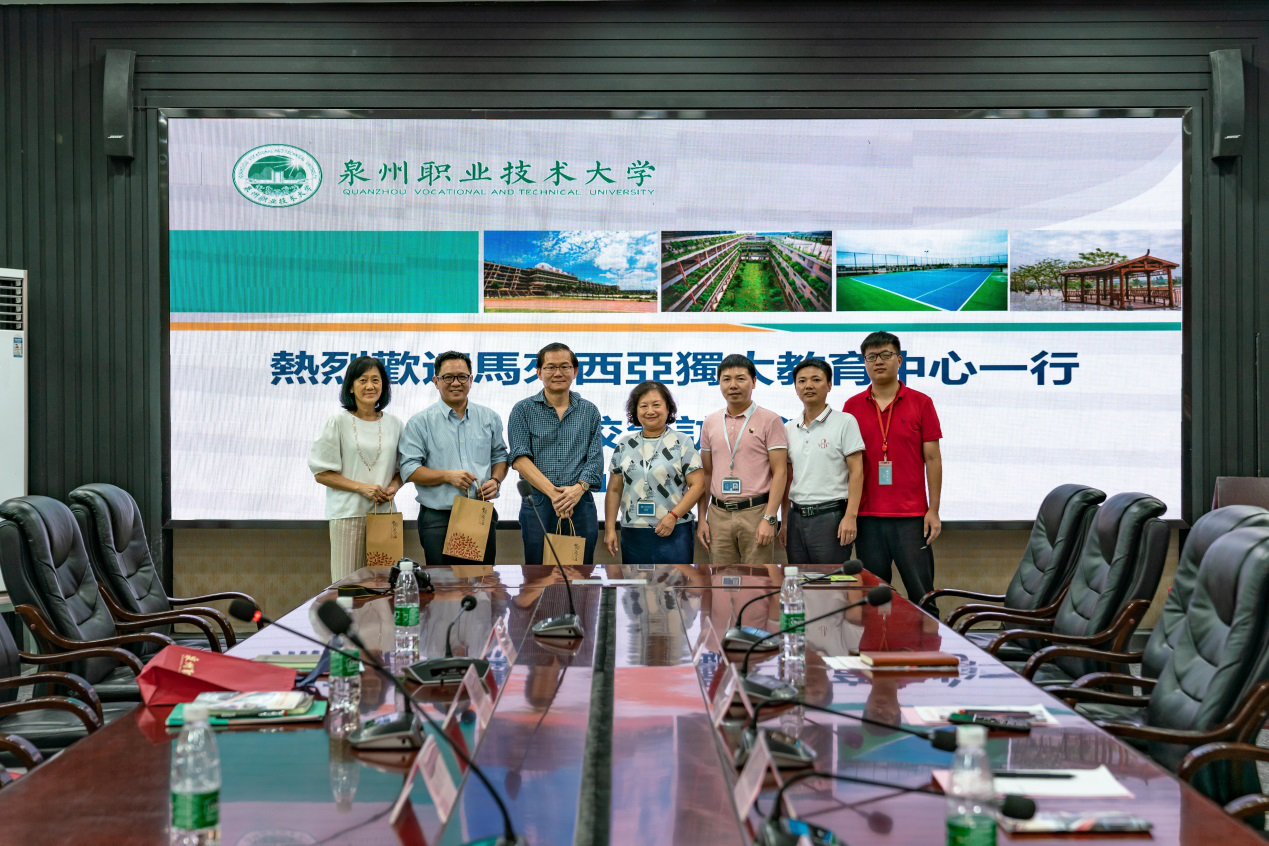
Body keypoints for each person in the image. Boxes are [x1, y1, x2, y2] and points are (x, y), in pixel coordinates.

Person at [842, 331, 943, 599]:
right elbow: (847, 464)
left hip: (912, 518)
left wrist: (933, 509)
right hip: (867, 517)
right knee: (874, 598)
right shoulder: (851, 406)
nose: (878, 361)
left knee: (923, 596)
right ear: (864, 363)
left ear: (899, 360)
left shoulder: (922, 402)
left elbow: (933, 459)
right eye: (871, 357)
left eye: (885, 355)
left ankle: (926, 630)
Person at [398, 350, 508, 567]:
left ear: (471, 380)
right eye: (448, 377)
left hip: (478, 513)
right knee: (443, 584)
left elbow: (500, 455)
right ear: (436, 381)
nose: (456, 383)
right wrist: (447, 476)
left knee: (481, 582)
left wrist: (496, 480)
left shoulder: (489, 418)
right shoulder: (420, 422)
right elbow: (409, 469)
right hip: (438, 519)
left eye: (462, 377)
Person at [308, 355, 404, 583]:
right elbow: (321, 473)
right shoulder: (337, 422)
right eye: (363, 380)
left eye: (376, 380)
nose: (370, 386)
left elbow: (403, 468)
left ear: (384, 386)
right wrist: (362, 488)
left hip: (384, 514)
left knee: (385, 584)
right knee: (348, 585)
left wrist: (394, 486)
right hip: (347, 514)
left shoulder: (395, 424)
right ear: (350, 387)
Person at [508, 342, 604, 565]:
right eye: (551, 367)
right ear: (539, 372)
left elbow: (595, 459)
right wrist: (556, 495)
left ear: (575, 371)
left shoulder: (589, 410)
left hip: (579, 502)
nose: (558, 373)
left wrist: (576, 491)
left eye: (564, 367)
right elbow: (520, 460)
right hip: (540, 503)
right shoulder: (522, 410)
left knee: (580, 573)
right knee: (538, 575)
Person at [696, 354, 788, 565]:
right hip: (718, 514)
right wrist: (702, 518)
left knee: (758, 579)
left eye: (740, 378)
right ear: (719, 383)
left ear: (754, 382)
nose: (733, 385)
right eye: (726, 379)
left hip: (756, 512)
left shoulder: (771, 420)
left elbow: (780, 472)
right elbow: (707, 473)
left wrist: (770, 518)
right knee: (721, 580)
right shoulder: (710, 422)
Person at [604, 381, 707, 564]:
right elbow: (614, 490)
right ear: (635, 410)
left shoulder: (682, 442)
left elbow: (698, 485)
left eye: (656, 405)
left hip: (675, 528)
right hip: (633, 530)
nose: (650, 411)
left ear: (668, 408)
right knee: (635, 582)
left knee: (676, 582)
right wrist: (610, 528)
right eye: (643, 406)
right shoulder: (625, 444)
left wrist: (673, 516)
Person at [779, 357, 865, 566]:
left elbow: (857, 472)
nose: (808, 385)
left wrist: (850, 516)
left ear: (829, 385)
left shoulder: (845, 421)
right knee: (799, 580)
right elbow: (787, 478)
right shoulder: (789, 428)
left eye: (816, 380)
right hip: (796, 517)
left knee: (829, 582)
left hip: (830, 517)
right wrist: (785, 521)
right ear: (795, 388)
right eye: (802, 381)